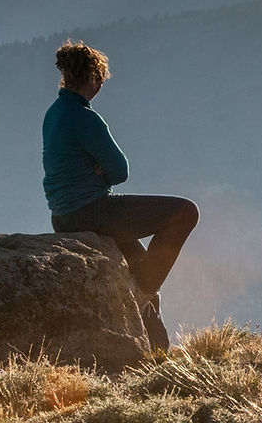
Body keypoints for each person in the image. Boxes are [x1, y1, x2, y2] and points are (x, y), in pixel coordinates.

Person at [42, 40, 199, 351]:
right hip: (93, 210)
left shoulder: (54, 113)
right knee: (185, 212)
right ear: (92, 78)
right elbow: (120, 170)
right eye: (100, 78)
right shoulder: (86, 118)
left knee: (144, 267)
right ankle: (139, 300)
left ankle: (153, 349)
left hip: (63, 215)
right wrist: (102, 169)